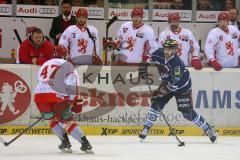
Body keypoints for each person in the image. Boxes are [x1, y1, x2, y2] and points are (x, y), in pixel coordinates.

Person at [138, 39, 218, 143]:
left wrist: (158, 93)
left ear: (174, 50)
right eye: (165, 48)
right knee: (156, 103)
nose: (166, 51)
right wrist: (143, 67)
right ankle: (146, 128)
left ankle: (208, 129)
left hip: (182, 86)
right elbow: (149, 60)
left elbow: (173, 86)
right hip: (167, 82)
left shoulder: (177, 64)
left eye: (169, 49)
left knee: (187, 113)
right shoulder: (158, 52)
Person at [34, 53, 92, 152]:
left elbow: (38, 81)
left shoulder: (45, 64)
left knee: (52, 120)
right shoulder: (67, 65)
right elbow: (72, 85)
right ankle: (84, 142)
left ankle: (65, 141)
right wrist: (73, 101)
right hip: (58, 95)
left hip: (40, 96)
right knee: (67, 121)